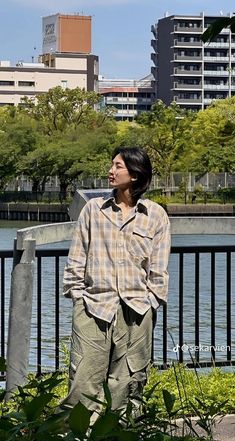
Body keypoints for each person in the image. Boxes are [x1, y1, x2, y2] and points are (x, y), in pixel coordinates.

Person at [62, 146, 170, 418]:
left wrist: (152, 300)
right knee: (83, 381)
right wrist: (78, 297)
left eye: (118, 166)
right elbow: (76, 258)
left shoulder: (155, 215)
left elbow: (158, 268)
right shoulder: (93, 210)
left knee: (129, 382)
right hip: (94, 307)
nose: (111, 171)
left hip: (137, 310)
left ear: (135, 174)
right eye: (112, 165)